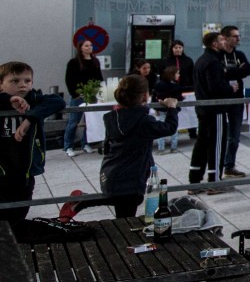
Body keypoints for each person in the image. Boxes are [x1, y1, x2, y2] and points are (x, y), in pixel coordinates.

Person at [60, 74, 177, 220]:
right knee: (125, 220)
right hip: (131, 176)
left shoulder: (113, 117)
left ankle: (82, 200)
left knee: (131, 200)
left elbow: (107, 145)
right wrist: (171, 107)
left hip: (112, 170)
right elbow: (169, 128)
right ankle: (83, 202)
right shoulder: (144, 121)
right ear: (145, 96)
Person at [0, 61, 65, 225]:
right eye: (14, 81)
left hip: (25, 172)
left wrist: (30, 118)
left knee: (20, 214)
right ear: (1, 84)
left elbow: (57, 101)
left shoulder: (35, 99)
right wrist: (8, 100)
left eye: (27, 81)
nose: (22, 85)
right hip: (2, 171)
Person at [190, 31, 236, 185]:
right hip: (215, 109)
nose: (226, 42)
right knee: (216, 144)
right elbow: (215, 87)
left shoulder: (201, 60)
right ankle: (214, 181)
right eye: (222, 40)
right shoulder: (213, 62)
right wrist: (231, 88)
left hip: (203, 108)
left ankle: (195, 179)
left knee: (201, 143)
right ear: (215, 44)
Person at [217, 26, 250, 177]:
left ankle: (229, 165)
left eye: (238, 36)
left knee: (234, 135)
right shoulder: (217, 55)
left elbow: (248, 70)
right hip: (221, 99)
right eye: (234, 36)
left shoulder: (239, 54)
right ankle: (216, 167)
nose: (238, 39)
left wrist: (229, 72)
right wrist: (234, 72)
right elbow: (217, 74)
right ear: (225, 38)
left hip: (237, 99)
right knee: (220, 134)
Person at [63, 38, 102, 156]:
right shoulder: (74, 62)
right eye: (86, 46)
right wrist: (75, 94)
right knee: (74, 121)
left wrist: (99, 90)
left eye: (90, 45)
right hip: (78, 95)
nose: (89, 47)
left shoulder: (95, 61)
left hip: (92, 95)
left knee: (89, 121)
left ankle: (86, 143)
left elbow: (99, 77)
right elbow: (69, 79)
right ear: (80, 48)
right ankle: (68, 146)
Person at [151, 62, 186, 152]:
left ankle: (161, 148)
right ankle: (173, 147)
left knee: (161, 128)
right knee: (174, 128)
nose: (179, 75)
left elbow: (155, 96)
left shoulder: (159, 84)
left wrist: (156, 107)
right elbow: (178, 97)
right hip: (172, 109)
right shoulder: (175, 86)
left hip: (162, 109)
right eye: (177, 73)